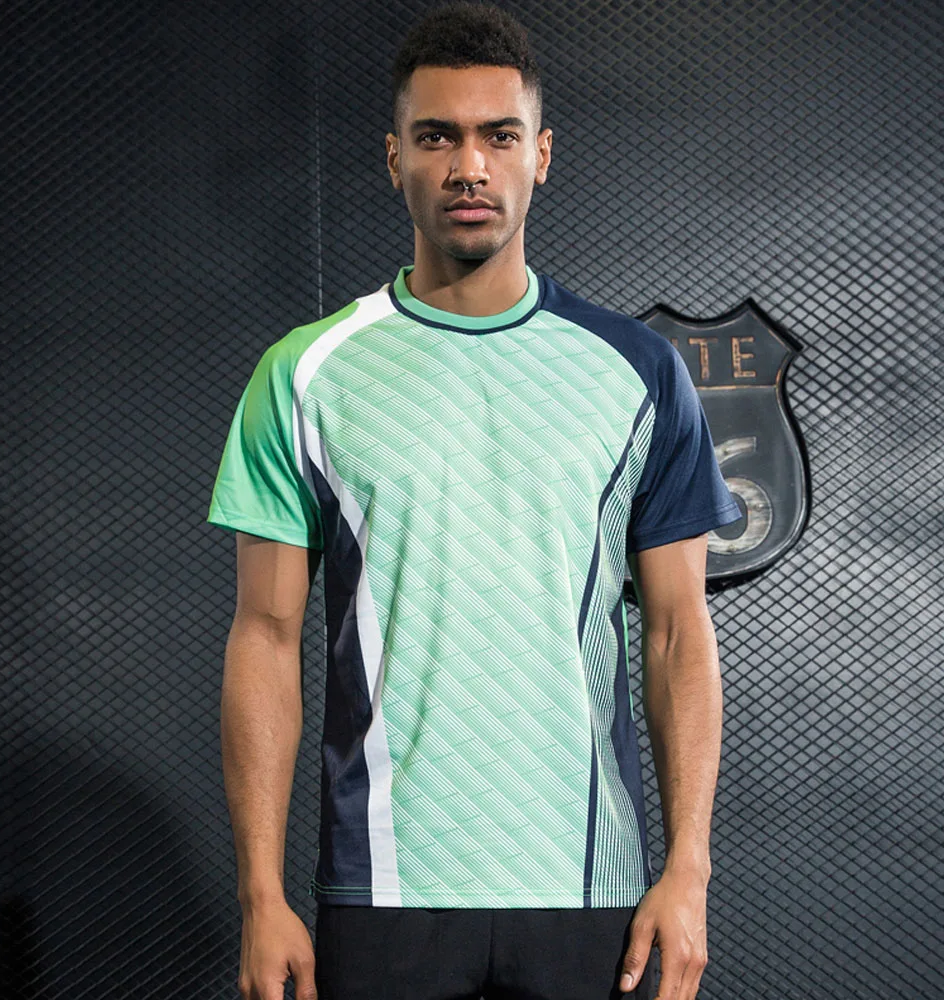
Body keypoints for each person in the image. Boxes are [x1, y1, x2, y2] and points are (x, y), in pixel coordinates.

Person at [206, 3, 742, 998]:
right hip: (381, 889)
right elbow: (265, 638)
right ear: (393, 158)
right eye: (436, 137)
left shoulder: (637, 372)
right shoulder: (305, 374)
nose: (468, 167)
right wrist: (260, 896)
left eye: (498, 136)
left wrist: (689, 872)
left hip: (589, 888)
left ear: (541, 155)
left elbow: (677, 633)